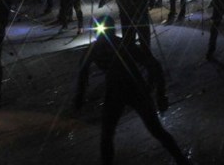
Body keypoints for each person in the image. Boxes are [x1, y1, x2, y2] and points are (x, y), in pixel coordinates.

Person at [74, 16, 190, 165]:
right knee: (108, 134)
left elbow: (154, 66)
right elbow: (83, 72)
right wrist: (79, 95)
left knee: (154, 130)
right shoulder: (96, 49)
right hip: (118, 91)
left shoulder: (121, 46)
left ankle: (181, 159)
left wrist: (160, 94)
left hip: (134, 88)